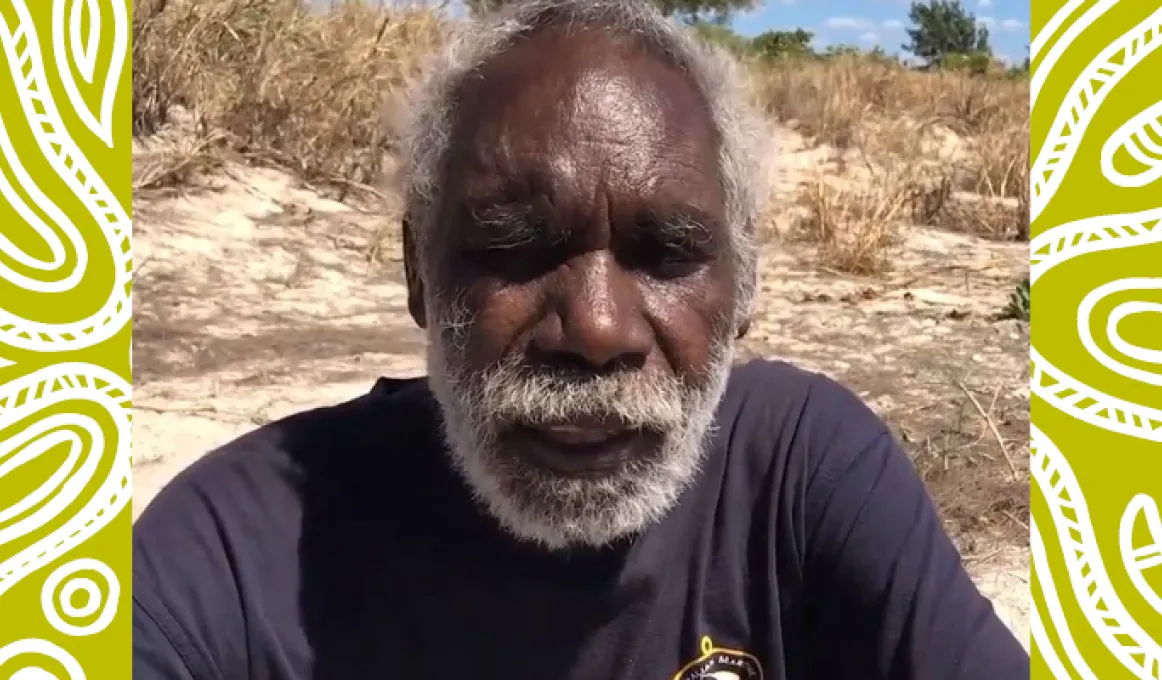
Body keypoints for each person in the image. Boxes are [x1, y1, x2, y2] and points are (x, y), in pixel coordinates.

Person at [132, 1, 1030, 678]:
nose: (597, 330)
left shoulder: (798, 474)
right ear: (417, 272)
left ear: (745, 286)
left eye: (668, 254)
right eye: (517, 247)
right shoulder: (234, 558)